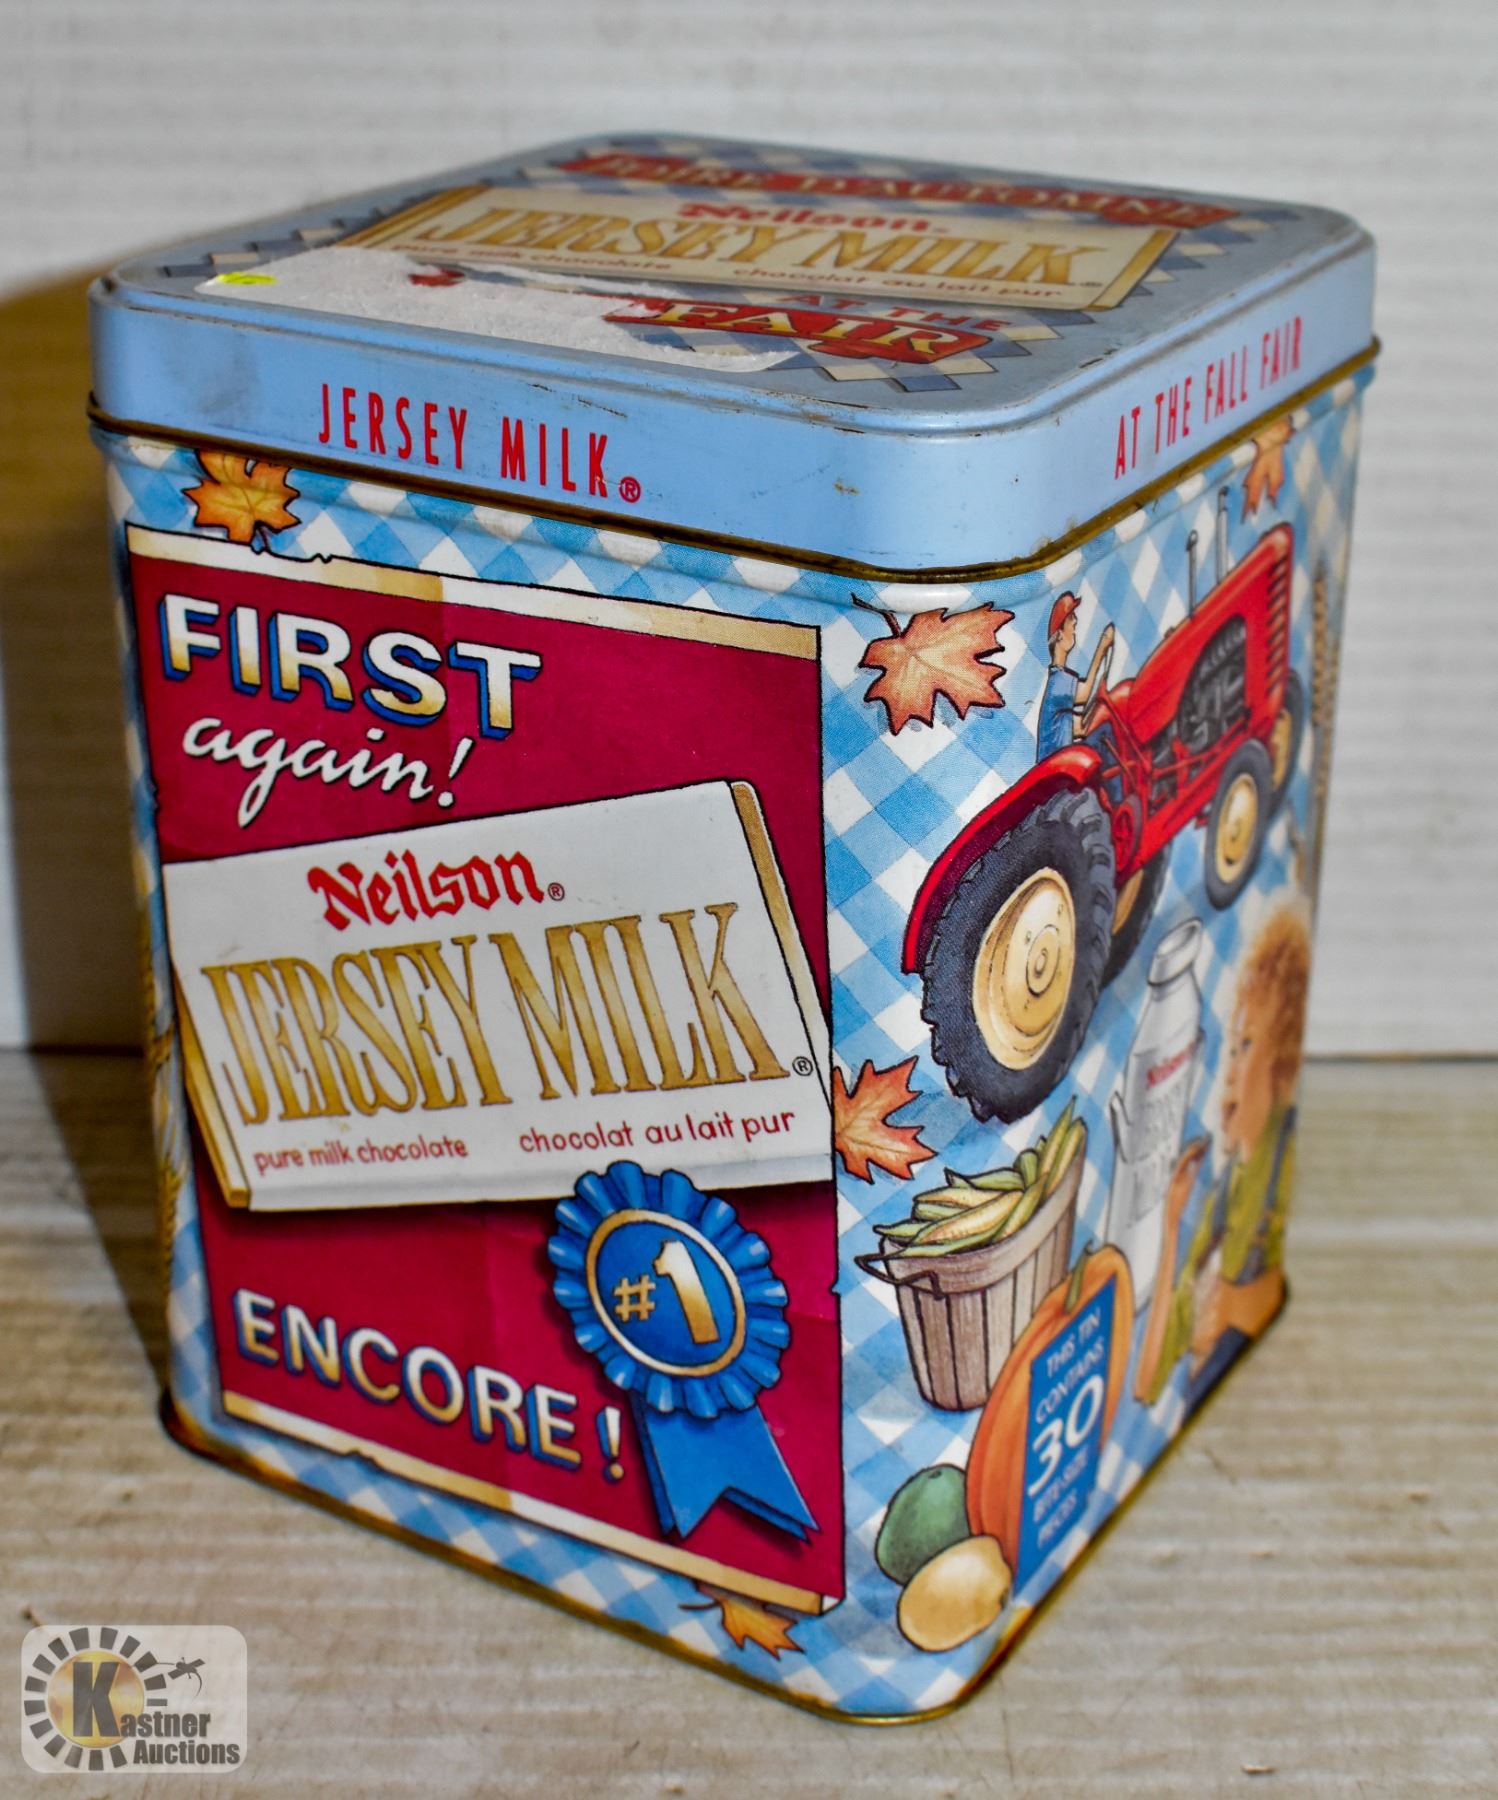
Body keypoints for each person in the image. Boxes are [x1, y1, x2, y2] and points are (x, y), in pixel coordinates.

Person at [1134, 904, 1312, 1407]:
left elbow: (1249, 1293)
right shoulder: (1218, 1204)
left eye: (1247, 1045)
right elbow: (1146, 1383)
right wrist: (1171, 1227)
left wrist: (1230, 1304)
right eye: (1231, 1048)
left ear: (1283, 1058)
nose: (1229, 1072)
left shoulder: (1276, 1158)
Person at [1035, 592, 1116, 762]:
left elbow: (1081, 727)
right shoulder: (1058, 682)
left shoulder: (1059, 678)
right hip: (1055, 771)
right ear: (1059, 635)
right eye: (1071, 618)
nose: (1075, 622)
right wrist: (1102, 646)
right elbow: (1084, 694)